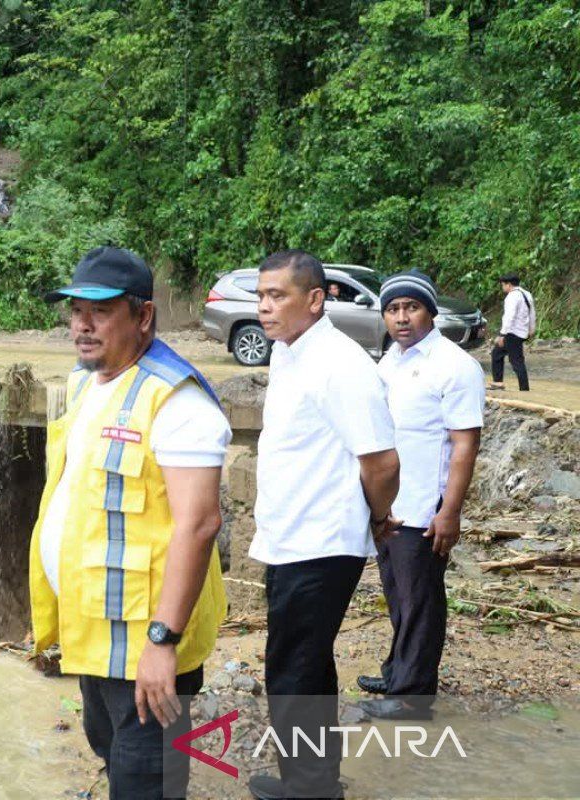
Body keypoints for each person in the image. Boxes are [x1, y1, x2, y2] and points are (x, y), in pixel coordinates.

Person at [28, 246, 230, 799]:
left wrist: (163, 643)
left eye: (100, 311)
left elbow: (199, 525)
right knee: (111, 750)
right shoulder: (84, 382)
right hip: (95, 630)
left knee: (150, 778)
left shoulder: (177, 401)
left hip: (147, 642)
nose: (82, 325)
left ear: (142, 317)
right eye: (74, 311)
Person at [247, 250, 400, 800]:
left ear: (315, 299)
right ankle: (312, 783)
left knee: (294, 672)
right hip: (293, 539)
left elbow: (381, 462)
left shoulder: (339, 363)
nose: (265, 307)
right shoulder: (291, 353)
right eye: (261, 296)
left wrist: (377, 518)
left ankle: (310, 789)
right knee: (304, 667)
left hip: (319, 543)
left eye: (277, 296)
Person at [357, 270, 484, 720]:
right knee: (397, 594)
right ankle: (399, 672)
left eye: (411, 307)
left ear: (430, 311)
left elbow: (465, 443)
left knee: (420, 600)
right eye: (392, 309)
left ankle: (412, 696)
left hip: (424, 508)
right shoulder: (389, 360)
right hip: (389, 505)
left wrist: (450, 511)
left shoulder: (454, 366)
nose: (401, 317)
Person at [489, 273, 535, 391]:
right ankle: (498, 383)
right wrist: (531, 329)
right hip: (521, 332)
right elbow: (532, 313)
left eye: (503, 285)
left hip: (512, 333)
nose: (502, 287)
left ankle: (524, 389)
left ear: (509, 284)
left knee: (516, 361)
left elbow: (509, 317)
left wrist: (502, 335)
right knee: (497, 354)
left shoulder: (512, 297)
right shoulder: (526, 294)